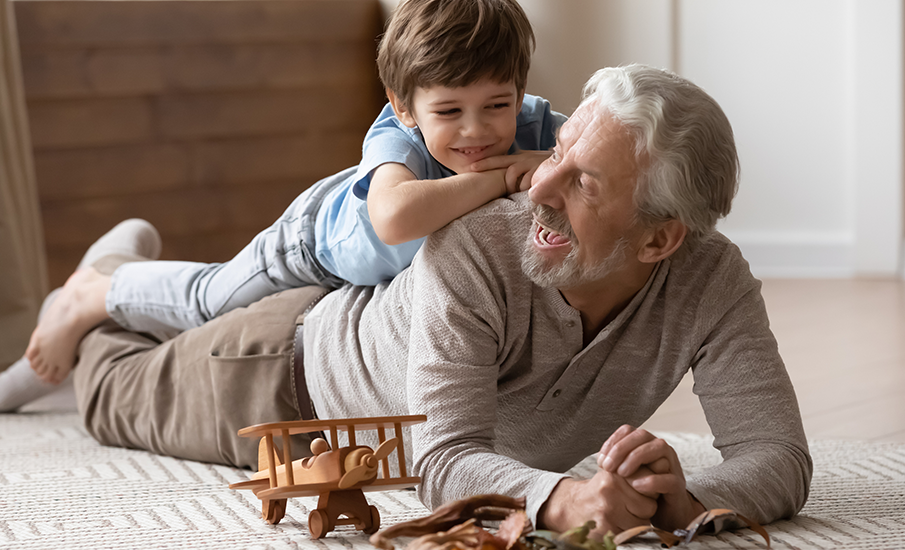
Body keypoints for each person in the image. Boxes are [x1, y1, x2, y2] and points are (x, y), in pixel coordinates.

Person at [60, 65, 812, 535]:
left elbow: (777, 456)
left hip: (328, 354)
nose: (537, 188)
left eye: (582, 183)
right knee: (106, 386)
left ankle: (118, 282)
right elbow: (443, 456)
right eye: (557, 154)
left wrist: (681, 499)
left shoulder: (714, 282)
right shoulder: (478, 246)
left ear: (660, 242)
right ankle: (99, 288)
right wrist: (564, 499)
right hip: (279, 371)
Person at [21, 0, 564, 387]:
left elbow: (603, 161)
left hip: (371, 282)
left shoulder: (535, 124)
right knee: (209, 303)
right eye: (448, 112)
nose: (477, 131)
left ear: (519, 89)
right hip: (312, 244)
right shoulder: (395, 136)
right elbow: (395, 219)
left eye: (498, 105)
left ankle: (109, 275)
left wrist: (545, 160)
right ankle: (91, 291)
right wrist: (500, 177)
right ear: (404, 106)